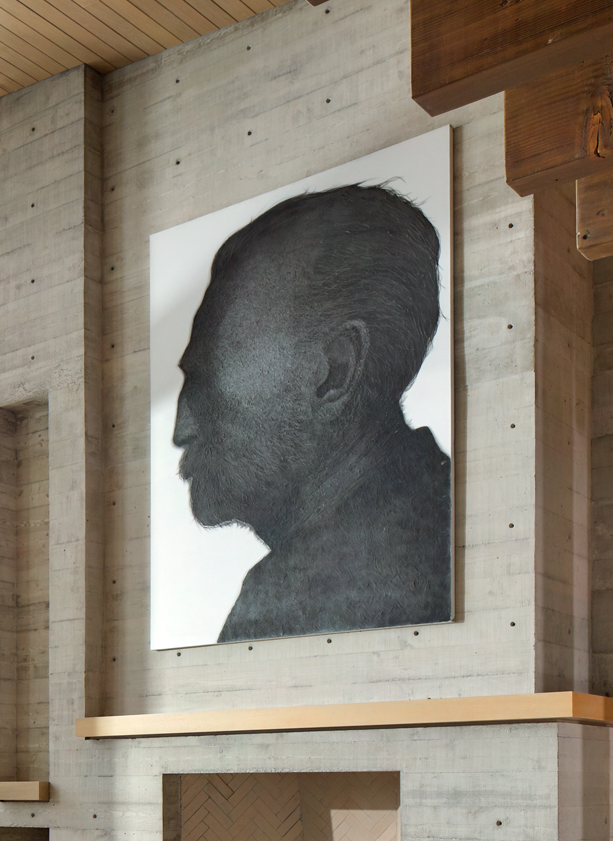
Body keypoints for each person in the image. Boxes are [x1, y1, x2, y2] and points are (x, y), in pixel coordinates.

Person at [171, 182, 452, 641]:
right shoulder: (439, 516)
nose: (182, 429)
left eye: (211, 382)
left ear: (333, 371)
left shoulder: (293, 601)